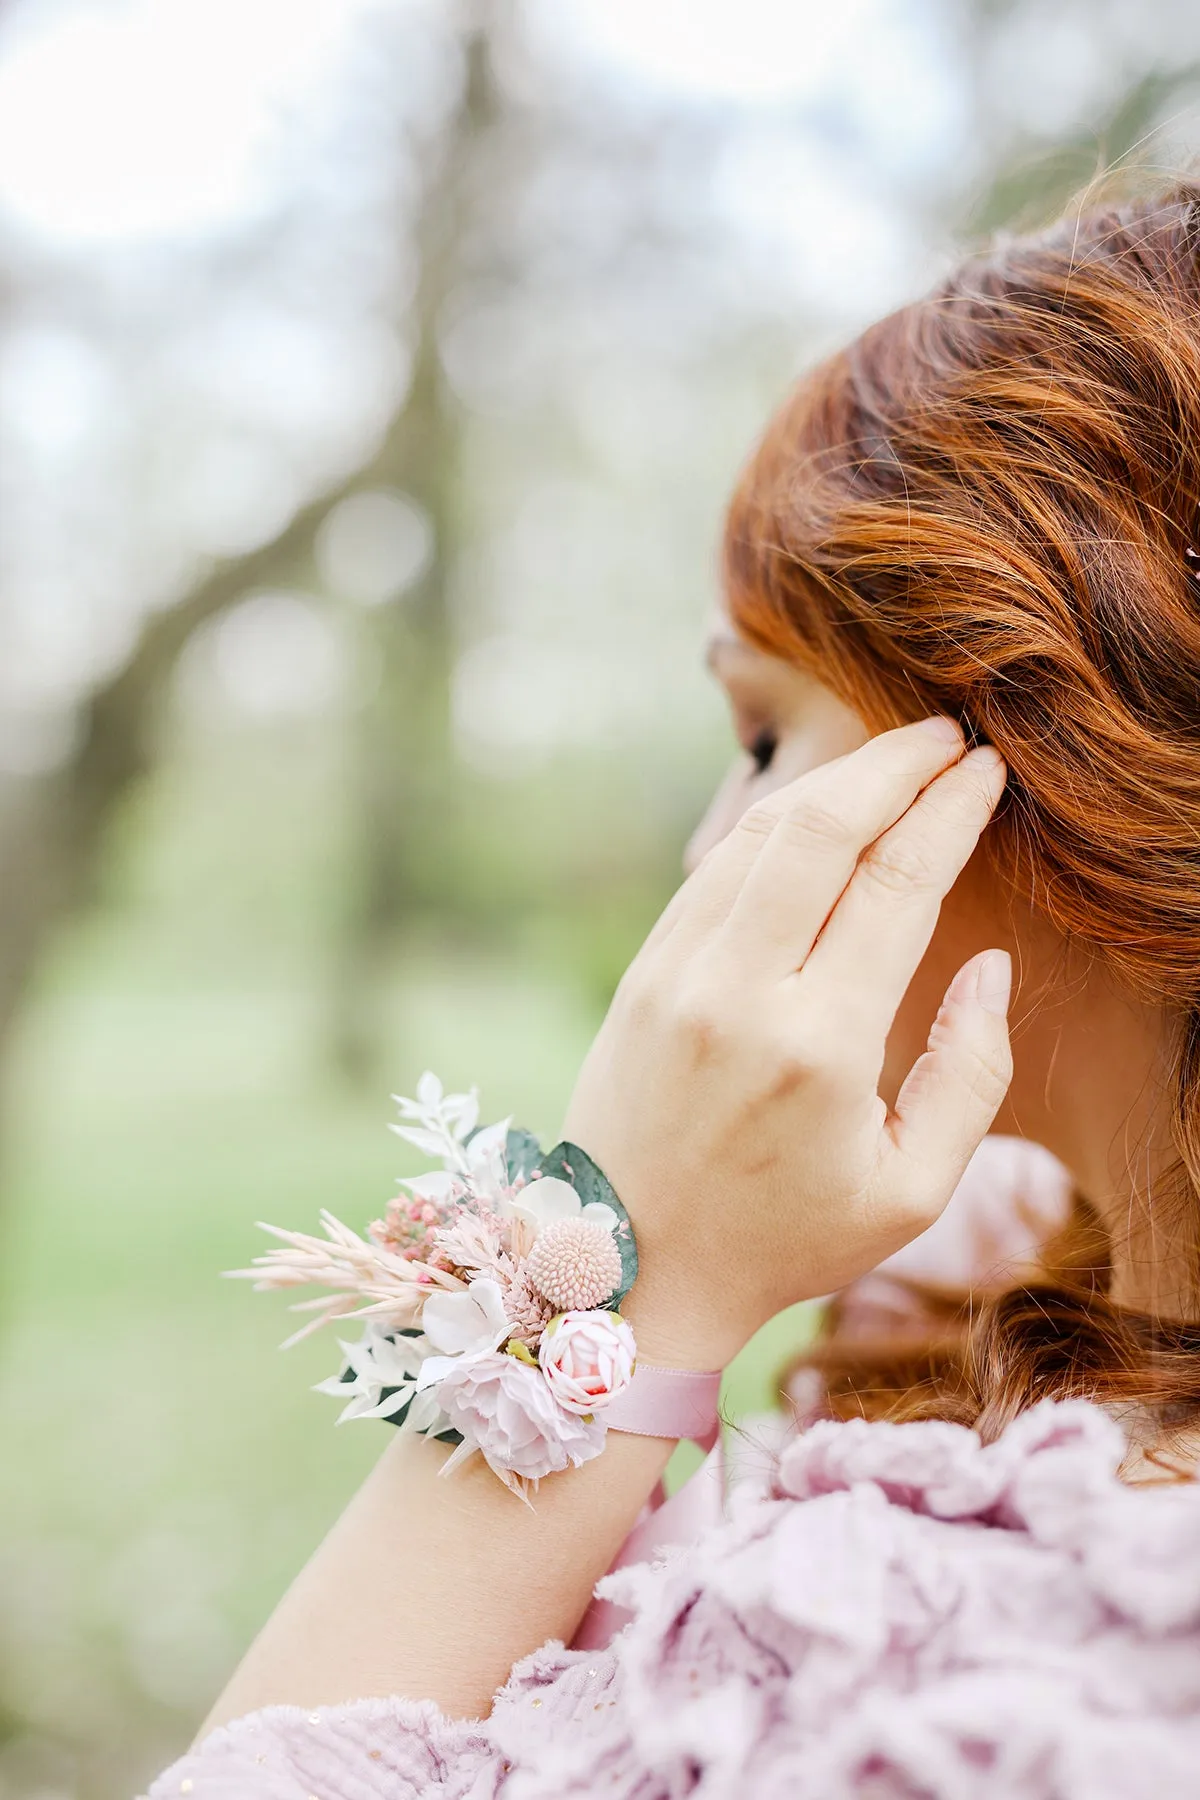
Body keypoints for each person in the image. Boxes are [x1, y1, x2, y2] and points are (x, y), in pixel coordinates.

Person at [150, 180, 1200, 1798]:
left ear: (1060, 745)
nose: (716, 846)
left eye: (767, 737)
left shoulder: (1024, 1635)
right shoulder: (1003, 1268)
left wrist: (639, 1276)